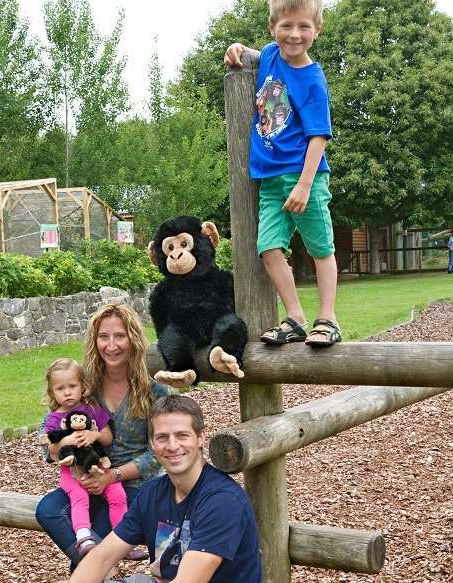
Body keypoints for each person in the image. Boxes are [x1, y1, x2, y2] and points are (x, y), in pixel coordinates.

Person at [224, 0, 342, 347]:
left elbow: (319, 135)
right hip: (272, 180)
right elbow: (257, 55)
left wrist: (306, 185)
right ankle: (296, 318)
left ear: (317, 30)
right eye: (286, 26)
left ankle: (328, 319)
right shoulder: (272, 55)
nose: (295, 34)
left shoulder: (313, 80)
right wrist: (239, 49)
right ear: (272, 27)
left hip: (305, 176)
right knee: (269, 248)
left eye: (304, 26)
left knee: (321, 248)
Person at [69, 394, 262, 583]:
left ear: (201, 437)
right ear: (152, 443)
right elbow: (101, 558)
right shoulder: (151, 494)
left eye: (182, 435)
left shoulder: (223, 501)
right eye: (162, 437)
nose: (172, 446)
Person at [36, 304, 170, 573]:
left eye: (119, 336)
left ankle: (90, 570)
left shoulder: (154, 390)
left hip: (134, 486)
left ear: (133, 338)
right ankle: (99, 568)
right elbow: (49, 438)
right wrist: (62, 445)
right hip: (86, 478)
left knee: (92, 539)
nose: (111, 345)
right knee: (47, 510)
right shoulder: (86, 387)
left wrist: (112, 476)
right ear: (94, 341)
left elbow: (159, 453)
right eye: (103, 337)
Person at [41, 358, 128, 557]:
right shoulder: (54, 418)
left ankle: (124, 539)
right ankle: (83, 537)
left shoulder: (93, 409)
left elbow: (107, 437)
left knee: (118, 494)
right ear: (52, 392)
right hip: (72, 473)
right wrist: (67, 441)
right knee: (79, 498)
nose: (67, 392)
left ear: (83, 386)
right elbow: (52, 452)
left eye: (72, 386)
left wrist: (94, 435)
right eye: (60, 388)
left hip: (99, 466)